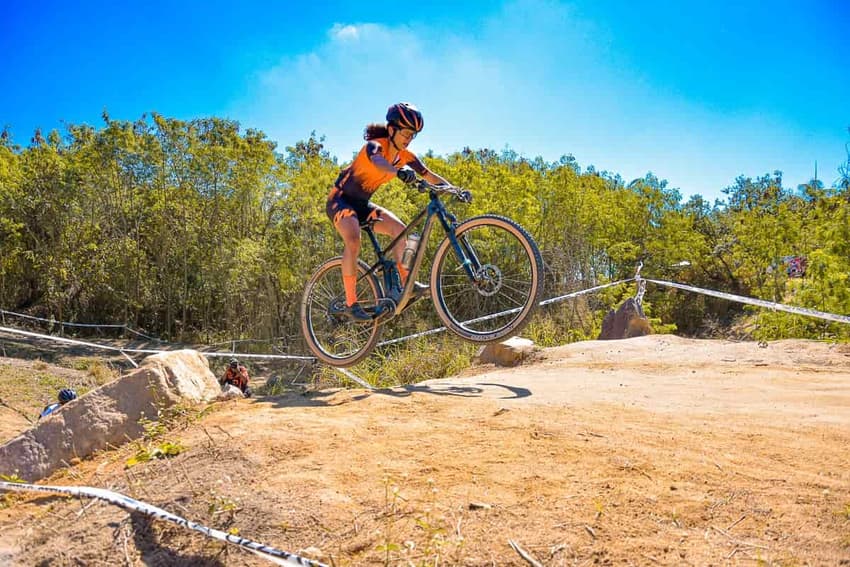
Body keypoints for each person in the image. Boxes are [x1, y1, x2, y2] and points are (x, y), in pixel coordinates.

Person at [326, 102, 455, 321]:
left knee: (402, 231)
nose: (408, 138)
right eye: (405, 132)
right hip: (340, 201)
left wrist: (454, 189)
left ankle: (406, 282)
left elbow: (429, 175)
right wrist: (398, 172)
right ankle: (350, 303)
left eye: (413, 135)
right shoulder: (375, 145)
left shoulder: (406, 156)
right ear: (392, 129)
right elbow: (378, 163)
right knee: (354, 240)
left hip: (362, 205)